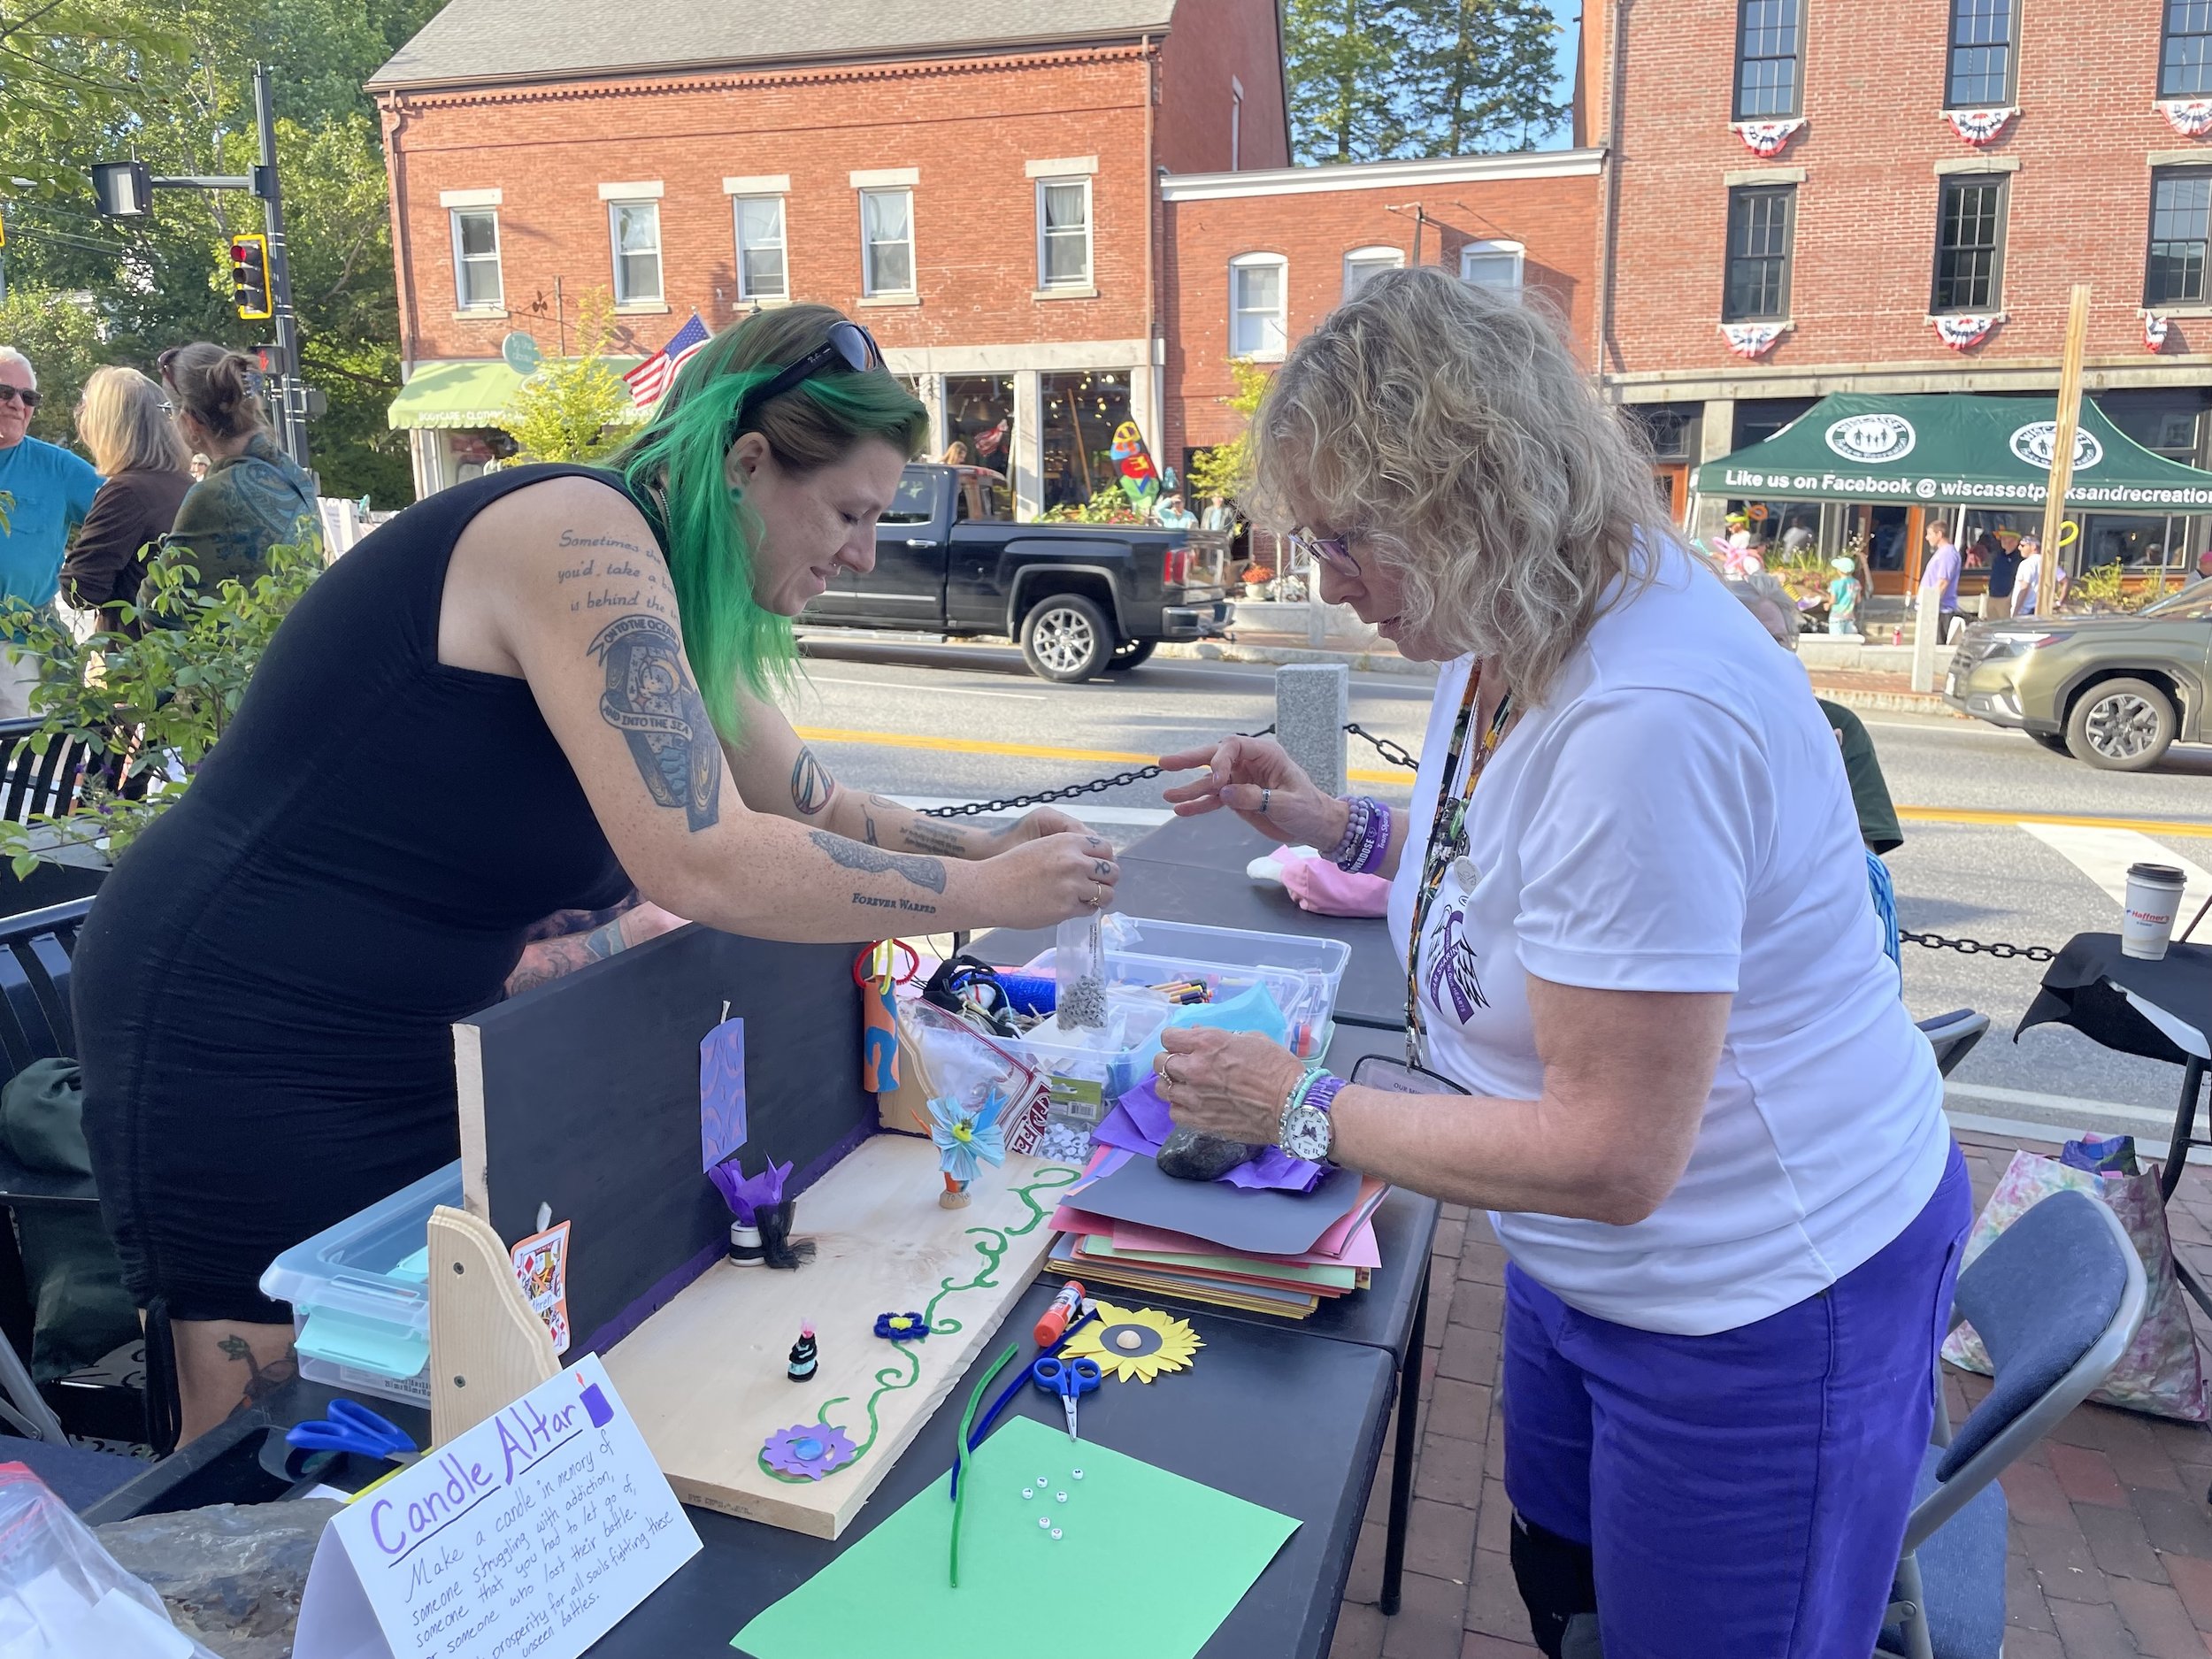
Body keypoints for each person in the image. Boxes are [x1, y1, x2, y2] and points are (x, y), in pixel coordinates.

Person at [74, 304, 1121, 1442]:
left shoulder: (669, 587)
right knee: (269, 1436)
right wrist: (979, 901)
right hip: (239, 1021)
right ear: (747, 464)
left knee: (429, 1397)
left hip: (422, 1022)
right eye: (851, 513)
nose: (864, 552)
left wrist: (991, 851)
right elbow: (706, 854)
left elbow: (817, 805)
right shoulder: (580, 536)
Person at [1148, 267, 1962, 1657]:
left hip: (1754, 1299)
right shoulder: (1518, 616)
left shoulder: (1648, 711)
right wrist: (1341, 819)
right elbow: (1523, 865)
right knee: (1566, 1584)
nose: (1327, 586)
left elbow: (1614, 1154)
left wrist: (1295, 1103)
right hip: (1597, 1271)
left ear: (1467, 496)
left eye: (1348, 540)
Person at [158, 343, 318, 592]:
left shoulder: (211, 496)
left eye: (171, 412)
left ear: (191, 422)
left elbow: (158, 606)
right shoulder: (294, 474)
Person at [0, 348, 100, 715]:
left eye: (28, 397)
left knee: (41, 768)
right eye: (4, 392)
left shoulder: (57, 466)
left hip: (24, 649)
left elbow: (122, 511)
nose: (16, 404)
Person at [61, 367, 195, 638]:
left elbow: (81, 592)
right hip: (183, 653)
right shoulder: (186, 484)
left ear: (109, 427)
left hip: (137, 660)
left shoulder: (125, 492)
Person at [1919, 518, 1962, 642]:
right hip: (1934, 608)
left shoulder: (1948, 554)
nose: (1927, 538)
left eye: (1930, 534)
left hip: (1940, 610)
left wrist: (1931, 606)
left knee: (1934, 646)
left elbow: (1943, 582)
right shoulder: (1941, 553)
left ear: (1939, 534)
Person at [2014, 531, 2067, 618]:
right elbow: (2066, 581)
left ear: (2033, 547)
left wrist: (2016, 612)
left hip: (2024, 613)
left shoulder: (2026, 564)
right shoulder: (2049, 562)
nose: (2019, 548)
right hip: (2042, 613)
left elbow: (2024, 588)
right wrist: (2059, 602)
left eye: (2023, 546)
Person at [1983, 528, 2022, 621]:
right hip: (1992, 597)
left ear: (2015, 541)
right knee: (1992, 627)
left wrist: (2010, 597)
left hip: (2006, 599)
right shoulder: (1998, 555)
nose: (2003, 540)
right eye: (2002, 537)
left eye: (2006, 538)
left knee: (2006, 627)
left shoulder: (2019, 559)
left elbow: (2019, 580)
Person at [1825, 553, 1861, 636]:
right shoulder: (1856, 583)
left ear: (1839, 570)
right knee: (1848, 640)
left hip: (1837, 615)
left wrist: (1828, 604)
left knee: (1836, 640)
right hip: (1849, 616)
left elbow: (1833, 600)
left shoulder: (1835, 584)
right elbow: (1858, 600)